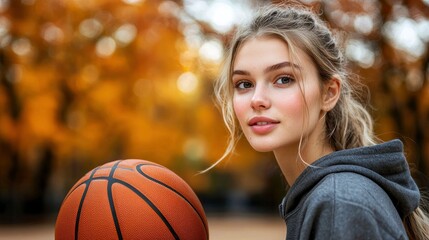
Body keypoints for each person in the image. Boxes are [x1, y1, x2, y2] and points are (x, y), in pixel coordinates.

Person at [209, 2, 429, 239]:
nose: (257, 99)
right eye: (244, 84)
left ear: (329, 93)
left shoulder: (339, 204)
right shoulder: (332, 197)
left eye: (283, 79)